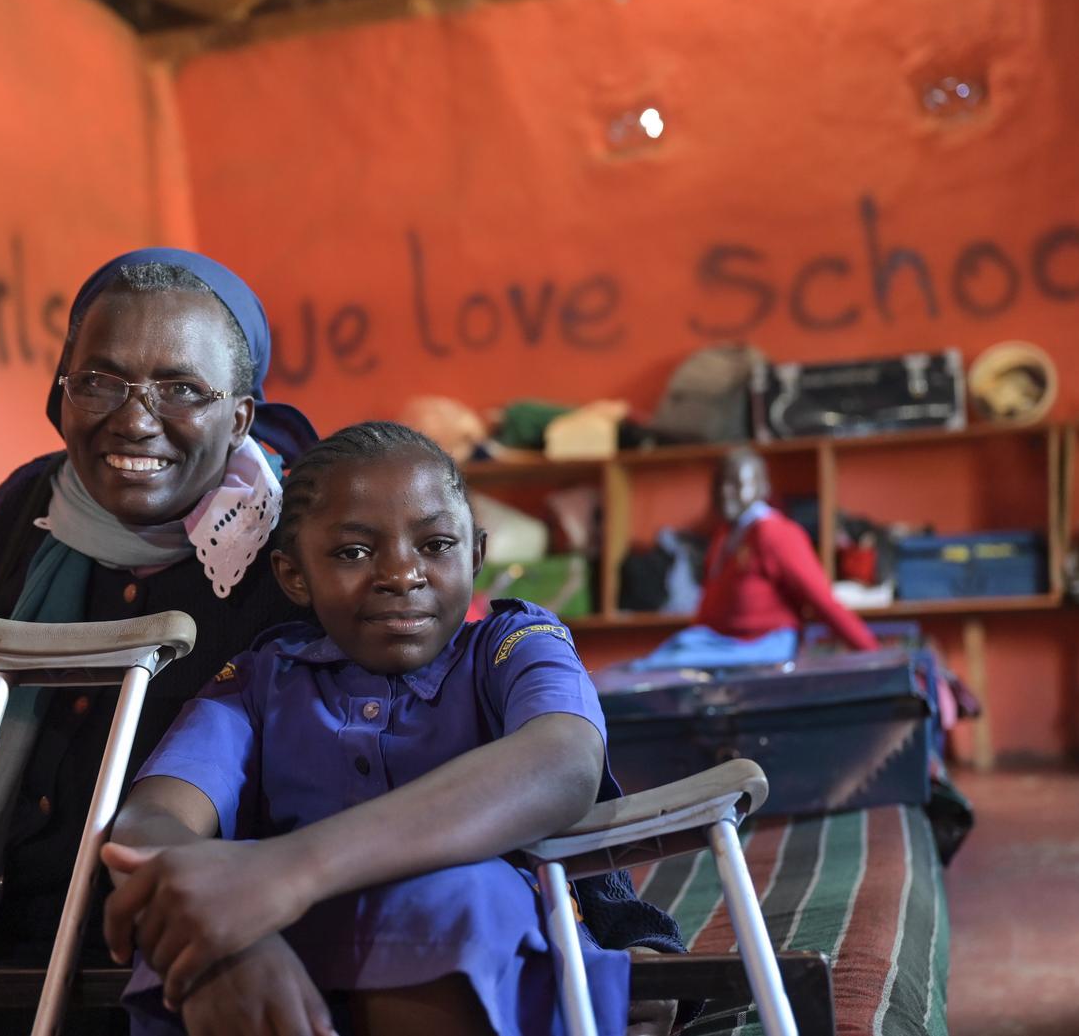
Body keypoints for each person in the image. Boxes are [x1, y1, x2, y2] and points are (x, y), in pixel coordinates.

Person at [0, 251, 677, 1035]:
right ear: (59, 392)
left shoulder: (291, 542)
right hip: (50, 917)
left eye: (181, 388)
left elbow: (534, 762)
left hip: (194, 916)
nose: (135, 418)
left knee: (441, 919)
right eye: (101, 379)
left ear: (240, 417)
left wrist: (238, 921)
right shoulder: (29, 513)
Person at [103, 422, 682, 1036]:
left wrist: (284, 873)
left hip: (494, 960)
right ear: (294, 576)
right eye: (353, 552)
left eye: (435, 545)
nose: (401, 574)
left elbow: (562, 763)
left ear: (476, 555)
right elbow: (149, 824)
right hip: (296, 953)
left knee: (448, 899)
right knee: (182, 933)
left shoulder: (514, 646)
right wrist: (230, 931)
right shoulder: (257, 683)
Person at [695, 448, 877, 653]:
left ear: (761, 488)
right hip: (715, 644)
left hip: (760, 645)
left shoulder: (775, 533)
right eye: (719, 483)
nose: (724, 491)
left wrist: (873, 654)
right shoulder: (725, 535)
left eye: (736, 484)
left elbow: (821, 600)